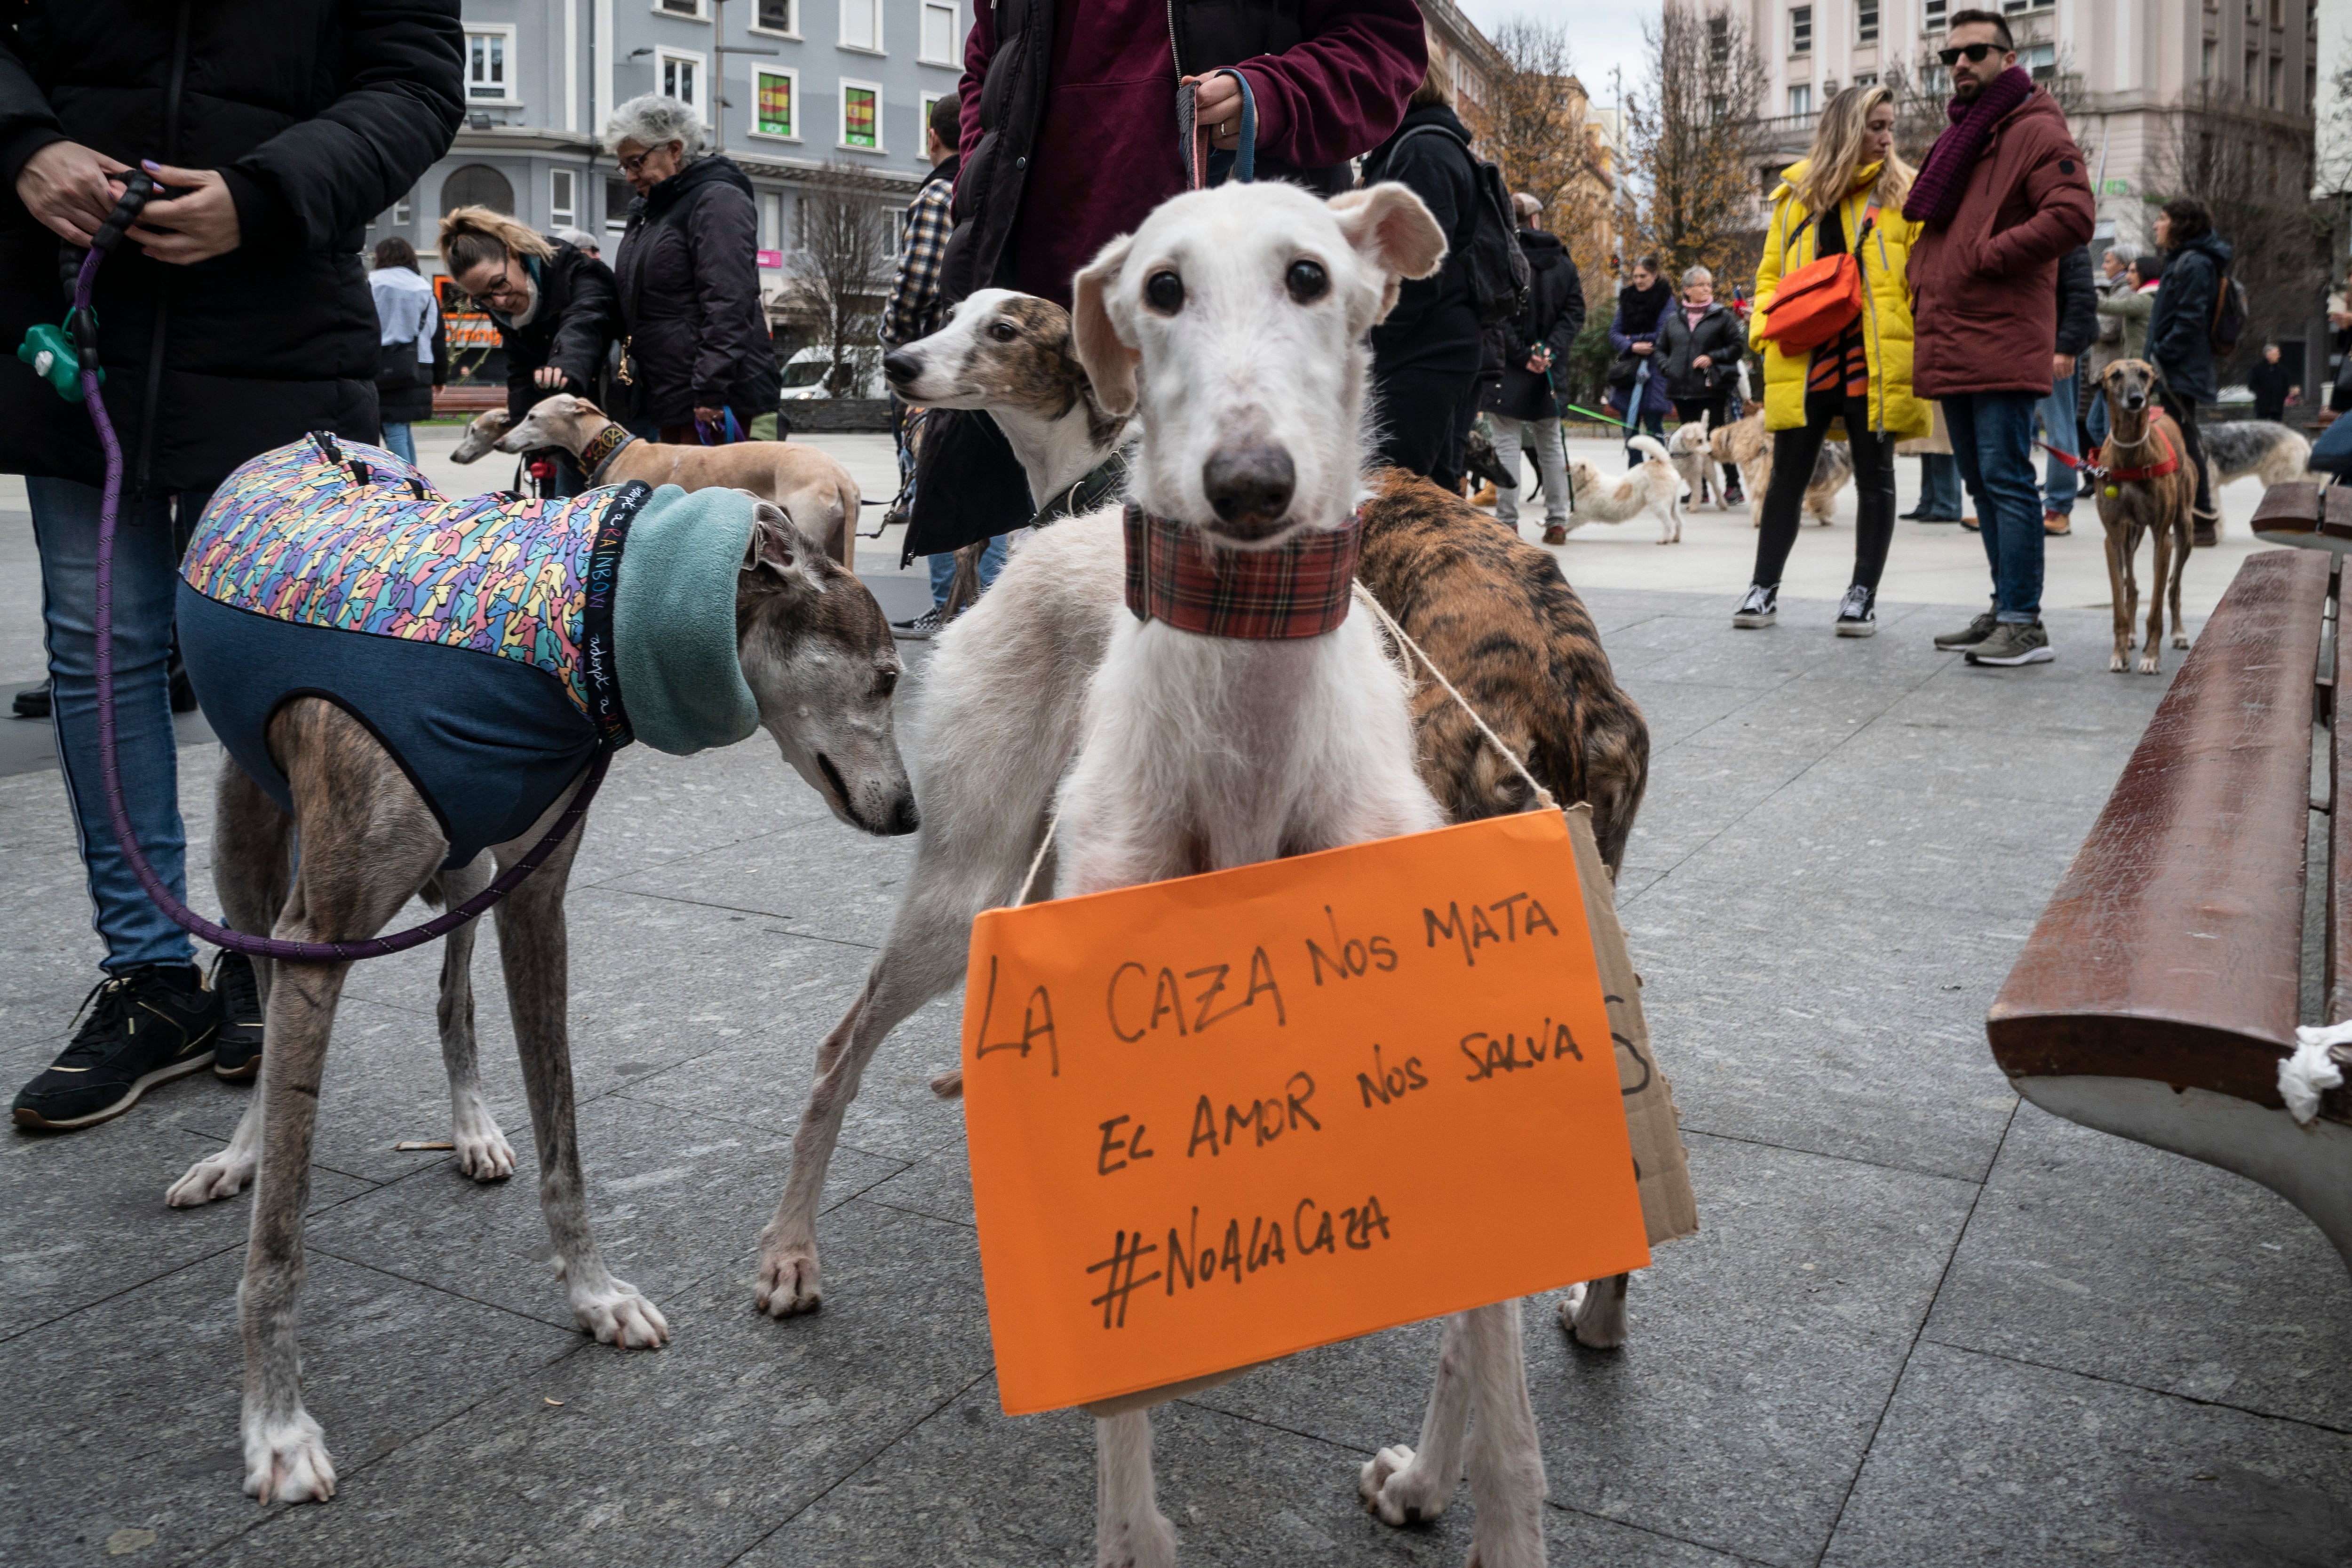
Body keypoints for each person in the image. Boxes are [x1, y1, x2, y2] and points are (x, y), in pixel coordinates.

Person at [0, 0, 463, 1131]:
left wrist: (264, 192)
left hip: (275, 326)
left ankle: (258, 953)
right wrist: (21, 141)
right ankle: (149, 977)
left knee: (268, 659)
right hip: (79, 313)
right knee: (96, 644)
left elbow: (412, 83)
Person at [914, 0, 1422, 570]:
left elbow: (1382, 43)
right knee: (1063, 594)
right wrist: (978, 166)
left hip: (1217, 303)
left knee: (1238, 603)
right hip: (1039, 309)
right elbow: (987, 62)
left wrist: (1275, 93)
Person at [1907, 8, 2094, 667]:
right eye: (1950, 56)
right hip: (1958, 332)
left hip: (2001, 332)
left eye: (1976, 52)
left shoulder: (2035, 127)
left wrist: (1985, 256)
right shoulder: (1971, 135)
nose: (1961, 64)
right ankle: (2004, 606)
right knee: (1983, 485)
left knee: (2009, 481)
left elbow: (2073, 215)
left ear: (2010, 59)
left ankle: (2024, 622)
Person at [1730, 83, 1926, 637]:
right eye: (1875, 127)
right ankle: (1762, 588)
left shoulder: (1905, 195)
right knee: (1787, 475)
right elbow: (1769, 275)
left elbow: (1920, 279)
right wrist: (1763, 330)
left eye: (1890, 127)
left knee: (1875, 476)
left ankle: (1861, 595)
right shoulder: (1796, 196)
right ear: (1845, 130)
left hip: (1874, 357)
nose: (1886, 138)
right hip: (1805, 354)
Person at [882, 90, 1003, 640]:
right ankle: (995, 609)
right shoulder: (996, 189)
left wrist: (894, 344)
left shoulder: (937, 194)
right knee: (994, 485)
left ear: (933, 137)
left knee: (940, 482)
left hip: (937, 366)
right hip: (984, 365)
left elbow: (914, 286)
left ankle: (950, 609)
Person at [607, 94, 781, 446]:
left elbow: (729, 300)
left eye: (636, 163)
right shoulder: (650, 211)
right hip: (673, 394)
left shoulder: (716, 200)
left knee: (711, 499)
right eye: (623, 166)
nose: (629, 176)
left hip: (711, 399)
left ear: (674, 149)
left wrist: (711, 389)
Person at [1360, 67, 1486, 491]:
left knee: (1394, 489)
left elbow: (1419, 268)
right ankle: (1462, 559)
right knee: (1433, 485)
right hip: (1439, 343)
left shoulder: (1423, 152)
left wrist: (1375, 332)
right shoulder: (1425, 145)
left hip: (1424, 348)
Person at [440, 206, 618, 497]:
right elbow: (520, 370)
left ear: (513, 254)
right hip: (570, 432)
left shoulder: (576, 270)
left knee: (621, 516)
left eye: (499, 284)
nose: (499, 300)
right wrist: (526, 432)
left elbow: (585, 322)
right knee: (569, 521)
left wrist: (564, 365)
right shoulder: (508, 315)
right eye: (485, 298)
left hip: (619, 413)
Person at [1485, 191, 1585, 543]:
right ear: (1536, 220)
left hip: (1510, 370)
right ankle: (1557, 521)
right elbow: (1575, 314)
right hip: (1550, 372)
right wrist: (1549, 351)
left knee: (1507, 444)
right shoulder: (1564, 263)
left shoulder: (1504, 259)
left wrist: (1523, 354)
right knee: (1551, 446)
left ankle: (1507, 523)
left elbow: (1498, 316)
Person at [2145, 197, 2230, 546]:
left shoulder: (2195, 264)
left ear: (2181, 225)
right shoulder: (2183, 260)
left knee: (2183, 440)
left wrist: (2160, 356)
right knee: (2177, 438)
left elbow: (2190, 321)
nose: (2156, 224)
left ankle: (2203, 519)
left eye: (2163, 219)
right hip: (2174, 366)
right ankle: (2192, 516)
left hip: (2178, 367)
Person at [1659, 264, 1748, 504]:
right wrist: (1669, 367)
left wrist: (1713, 357)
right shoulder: (1673, 320)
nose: (1707, 289)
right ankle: (1701, 490)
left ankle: (1733, 486)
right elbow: (1660, 350)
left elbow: (1737, 346)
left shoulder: (1722, 317)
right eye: (1701, 285)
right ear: (1687, 290)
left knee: (1717, 440)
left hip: (1712, 389)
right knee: (1691, 443)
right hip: (1682, 390)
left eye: (1709, 284)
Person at [368, 236, 445, 466]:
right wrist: (440, 375)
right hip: (418, 365)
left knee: (394, 428)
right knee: (402, 426)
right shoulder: (424, 287)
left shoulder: (371, 283)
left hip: (381, 364)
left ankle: (407, 487)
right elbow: (437, 334)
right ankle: (416, 482)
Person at [2037, 244, 2097, 536]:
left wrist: (2066, 347)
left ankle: (2059, 507)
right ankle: (2008, 504)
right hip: (2022, 340)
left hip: (2053, 344)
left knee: (2059, 427)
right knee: (2010, 428)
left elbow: (2083, 297)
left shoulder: (2067, 237)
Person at [1607, 257, 1675, 460]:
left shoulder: (1666, 300)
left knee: (1654, 427)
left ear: (1655, 275)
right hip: (1629, 372)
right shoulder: (1627, 299)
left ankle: (1660, 476)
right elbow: (1614, 333)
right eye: (1635, 276)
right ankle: (1635, 478)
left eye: (1643, 276)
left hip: (1655, 371)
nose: (1638, 280)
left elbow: (1665, 333)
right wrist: (1632, 345)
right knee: (1629, 428)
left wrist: (1633, 338)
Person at [2248, 343, 2298, 424]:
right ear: (2268, 354)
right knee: (2261, 426)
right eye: (2276, 353)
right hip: (2263, 406)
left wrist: (2284, 394)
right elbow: (2252, 385)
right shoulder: (2258, 369)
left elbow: (2287, 385)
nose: (2279, 356)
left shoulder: (2282, 370)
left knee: (2277, 427)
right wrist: (2262, 394)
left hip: (2277, 406)